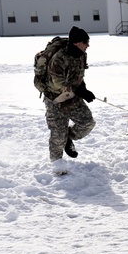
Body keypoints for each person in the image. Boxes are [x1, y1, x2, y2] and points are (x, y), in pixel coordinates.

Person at [41, 26, 96, 164]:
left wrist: (84, 90)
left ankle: (68, 138)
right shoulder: (59, 58)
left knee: (87, 123)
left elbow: (79, 75)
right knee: (58, 135)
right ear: (77, 43)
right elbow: (57, 82)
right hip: (55, 99)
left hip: (72, 97)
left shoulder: (82, 55)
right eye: (85, 42)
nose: (88, 45)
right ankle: (57, 165)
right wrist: (78, 90)